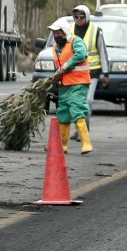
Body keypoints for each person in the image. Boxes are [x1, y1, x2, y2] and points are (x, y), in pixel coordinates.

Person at [49, 18, 93, 154]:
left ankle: (86, 143)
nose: (57, 36)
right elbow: (58, 66)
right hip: (65, 86)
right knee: (63, 113)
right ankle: (63, 146)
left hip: (79, 83)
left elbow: (81, 55)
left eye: (59, 33)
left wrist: (67, 65)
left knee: (77, 110)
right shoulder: (56, 47)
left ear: (65, 32)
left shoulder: (76, 41)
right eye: (54, 33)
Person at [70, 5, 109, 138]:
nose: (79, 19)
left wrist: (106, 73)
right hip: (74, 73)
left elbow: (103, 53)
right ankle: (79, 129)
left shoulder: (96, 31)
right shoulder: (70, 30)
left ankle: (83, 131)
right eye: (76, 16)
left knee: (87, 101)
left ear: (87, 16)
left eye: (81, 16)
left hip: (92, 73)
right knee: (76, 103)